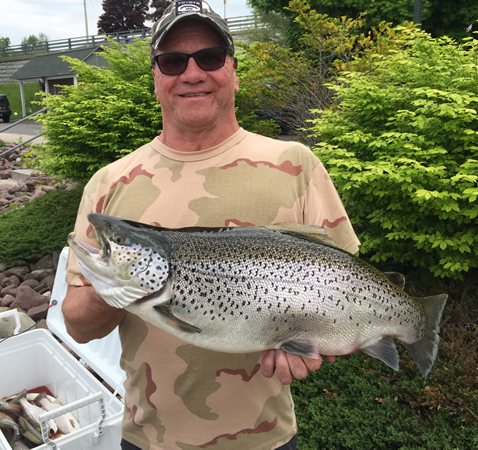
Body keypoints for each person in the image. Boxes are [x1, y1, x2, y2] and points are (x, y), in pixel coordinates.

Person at [62, 1, 360, 448]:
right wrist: (119, 288)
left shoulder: (295, 164)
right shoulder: (109, 183)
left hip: (267, 440)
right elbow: (79, 327)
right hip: (147, 439)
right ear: (157, 78)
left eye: (210, 57)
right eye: (173, 61)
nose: (193, 73)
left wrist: (316, 340)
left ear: (233, 71)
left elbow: (344, 288)